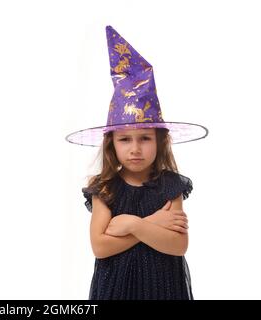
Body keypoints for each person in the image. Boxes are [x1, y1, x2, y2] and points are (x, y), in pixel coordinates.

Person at [65, 26, 209, 299]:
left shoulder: (170, 185)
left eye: (144, 138)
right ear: (111, 144)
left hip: (163, 288)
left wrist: (133, 224)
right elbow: (100, 246)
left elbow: (178, 245)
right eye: (125, 140)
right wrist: (154, 222)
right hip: (117, 289)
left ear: (160, 140)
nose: (135, 149)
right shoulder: (104, 188)